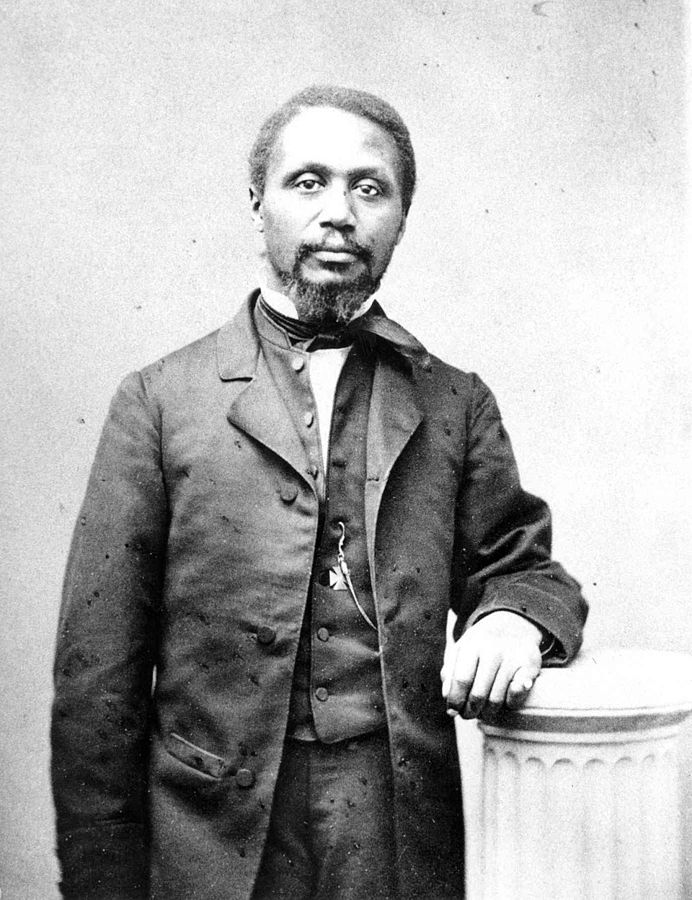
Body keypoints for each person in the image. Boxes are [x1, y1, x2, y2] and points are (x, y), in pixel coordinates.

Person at [51, 85, 587, 900]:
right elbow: (99, 683)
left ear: (401, 218)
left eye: (370, 188)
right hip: (208, 837)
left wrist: (511, 617)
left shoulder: (454, 403)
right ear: (257, 202)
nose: (339, 212)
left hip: (395, 833)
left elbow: (526, 570)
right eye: (308, 182)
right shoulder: (159, 402)